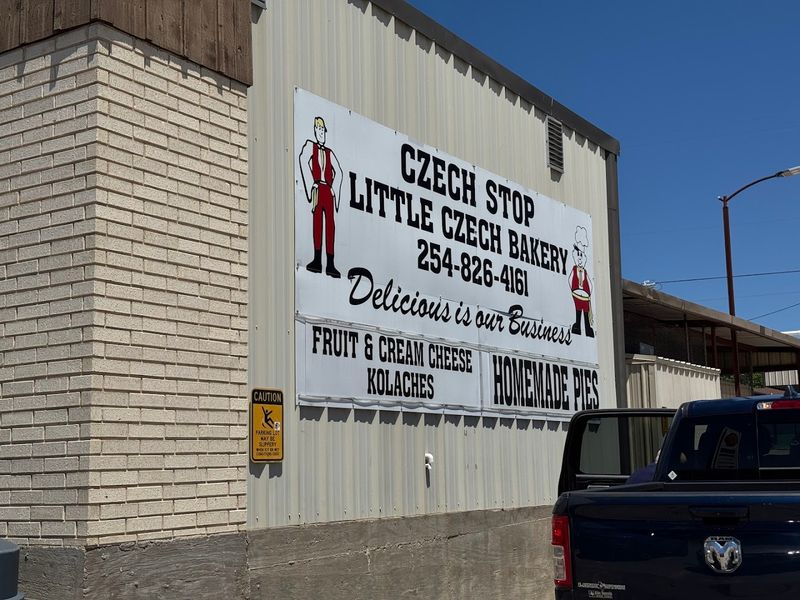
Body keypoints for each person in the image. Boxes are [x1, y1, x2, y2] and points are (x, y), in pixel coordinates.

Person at [299, 116, 343, 278]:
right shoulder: (311, 147)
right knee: (317, 222)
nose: (321, 133)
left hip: (328, 191)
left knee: (330, 225)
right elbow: (303, 161)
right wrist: (311, 183)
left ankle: (330, 263)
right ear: (315, 131)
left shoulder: (330, 153)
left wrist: (334, 191)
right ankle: (317, 260)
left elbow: (339, 172)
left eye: (322, 130)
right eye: (318, 130)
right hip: (318, 188)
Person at [569, 226, 594, 337]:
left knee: (586, 312)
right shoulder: (574, 270)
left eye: (581, 255)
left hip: (585, 296)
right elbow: (570, 281)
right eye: (578, 255)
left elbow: (591, 284)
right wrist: (573, 290)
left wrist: (588, 294)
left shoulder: (585, 272)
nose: (579, 258)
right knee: (578, 310)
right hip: (577, 294)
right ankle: (577, 326)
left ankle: (588, 328)